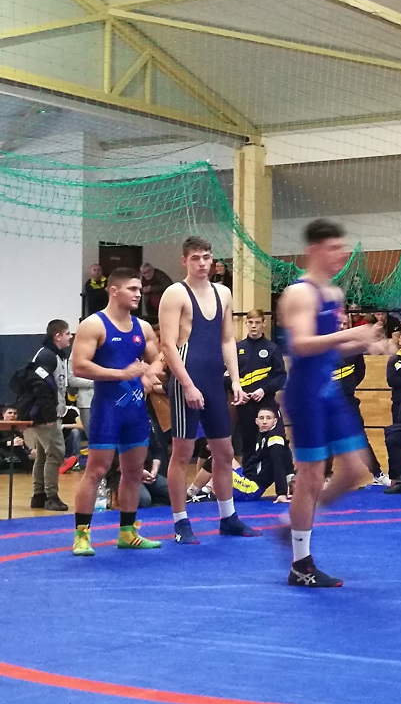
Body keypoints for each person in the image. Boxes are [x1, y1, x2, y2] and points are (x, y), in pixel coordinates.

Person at [277, 218, 390, 587]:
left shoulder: (334, 294)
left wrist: (364, 344)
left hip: (328, 391)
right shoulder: (300, 294)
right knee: (310, 476)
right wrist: (351, 334)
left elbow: (330, 348)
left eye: (342, 247)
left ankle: (293, 521)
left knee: (355, 470)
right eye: (333, 248)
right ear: (314, 250)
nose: (341, 254)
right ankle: (300, 563)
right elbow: (301, 345)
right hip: (306, 393)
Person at [158, 236, 258, 544]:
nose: (202, 263)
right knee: (183, 453)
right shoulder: (175, 293)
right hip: (186, 380)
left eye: (206, 257)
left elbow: (227, 339)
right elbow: (168, 345)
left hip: (214, 381)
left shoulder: (223, 293)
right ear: (184, 261)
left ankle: (228, 517)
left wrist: (236, 381)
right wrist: (187, 385)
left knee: (224, 452)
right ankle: (180, 521)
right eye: (195, 258)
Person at [68, 267, 164, 556]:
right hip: (107, 409)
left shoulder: (142, 327)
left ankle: (127, 532)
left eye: (139, 289)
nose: (138, 294)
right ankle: (81, 535)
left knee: (133, 471)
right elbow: (79, 366)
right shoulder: (93, 325)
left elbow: (158, 357)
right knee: (96, 470)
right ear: (113, 291)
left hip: (135, 410)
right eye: (132, 289)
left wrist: (150, 373)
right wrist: (122, 374)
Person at [20, 319, 72, 511]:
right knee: (56, 453)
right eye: (67, 333)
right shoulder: (47, 356)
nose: (70, 337)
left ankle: (39, 496)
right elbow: (41, 387)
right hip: (45, 415)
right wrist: (49, 415)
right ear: (57, 336)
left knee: (43, 455)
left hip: (47, 413)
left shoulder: (54, 355)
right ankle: (51, 496)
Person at [333, 318, 390, 486]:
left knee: (359, 438)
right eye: (338, 323)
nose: (342, 327)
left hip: (348, 401)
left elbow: (360, 372)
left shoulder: (355, 348)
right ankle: (325, 477)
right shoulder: (322, 347)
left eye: (345, 324)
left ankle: (377, 474)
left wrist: (348, 387)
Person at [235, 308, 286, 461]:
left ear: (263, 324)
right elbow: (226, 376)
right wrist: (238, 391)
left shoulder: (272, 348)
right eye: (250, 322)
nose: (253, 326)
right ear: (246, 323)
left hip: (266, 403)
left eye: (257, 322)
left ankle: (272, 472)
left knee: (271, 442)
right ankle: (248, 474)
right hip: (244, 404)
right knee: (247, 445)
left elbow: (281, 376)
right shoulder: (238, 348)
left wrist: (264, 390)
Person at [241, 405, 295, 501]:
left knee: (219, 463)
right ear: (256, 421)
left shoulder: (274, 438)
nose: (265, 421)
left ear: (275, 421)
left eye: (268, 418)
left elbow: (278, 463)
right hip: (245, 480)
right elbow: (286, 455)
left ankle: (210, 490)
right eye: (262, 418)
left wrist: (281, 492)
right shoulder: (262, 435)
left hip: (251, 488)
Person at [0, 405, 33, 473]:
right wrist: (10, 443)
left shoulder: (17, 429)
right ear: (3, 414)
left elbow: (24, 447)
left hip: (18, 458)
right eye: (10, 413)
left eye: (15, 413)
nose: (12, 415)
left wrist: (30, 451)